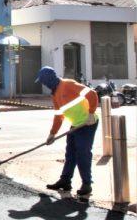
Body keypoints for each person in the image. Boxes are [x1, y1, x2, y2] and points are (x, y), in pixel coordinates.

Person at [37, 66, 99, 198]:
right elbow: (59, 116)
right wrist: (52, 133)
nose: (44, 84)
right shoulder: (55, 94)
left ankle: (87, 184)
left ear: (50, 79)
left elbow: (92, 94)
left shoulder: (68, 84)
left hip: (87, 123)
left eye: (44, 81)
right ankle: (65, 180)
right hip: (76, 125)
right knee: (70, 153)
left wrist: (91, 113)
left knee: (83, 153)